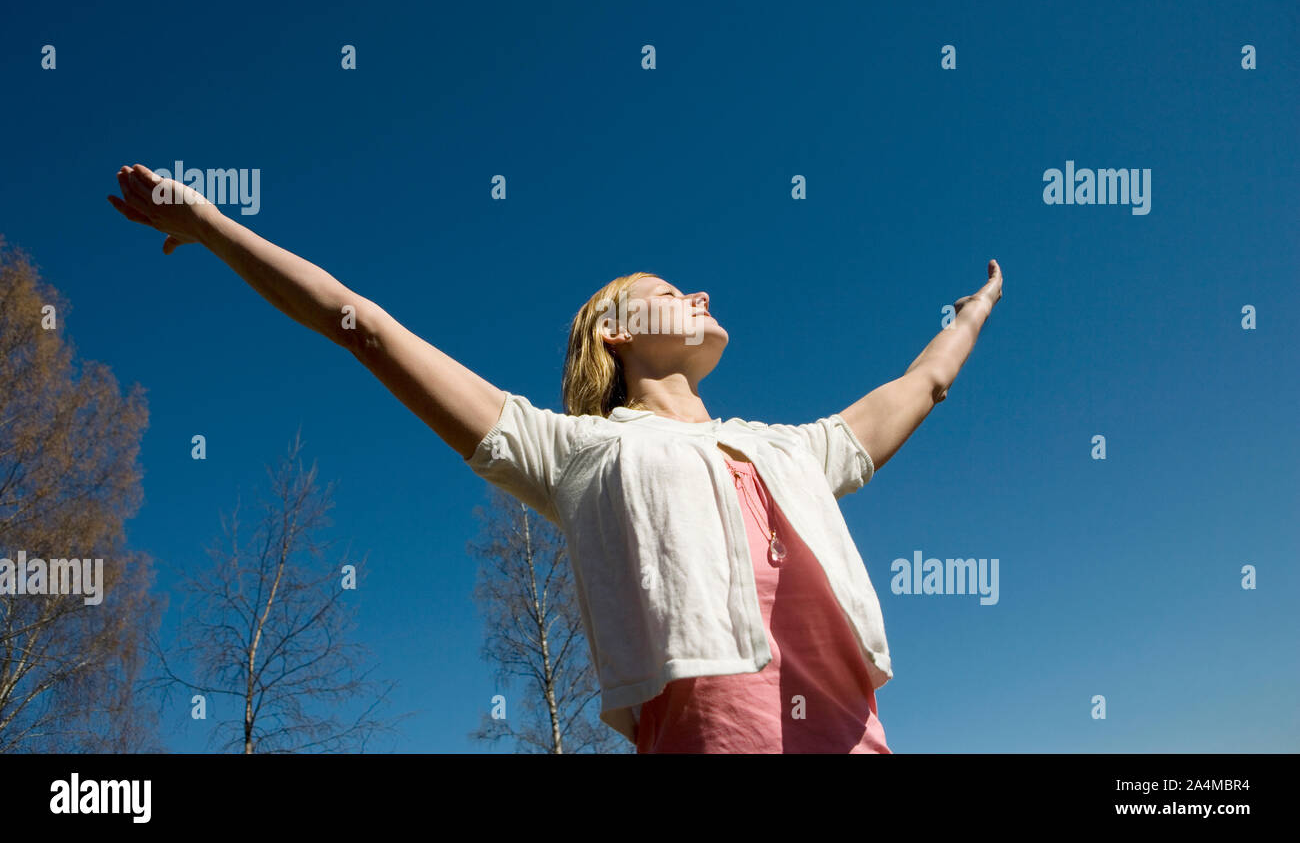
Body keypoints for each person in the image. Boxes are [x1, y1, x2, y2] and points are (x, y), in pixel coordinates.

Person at [108, 164, 1003, 752]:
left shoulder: (790, 449)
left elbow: (919, 387)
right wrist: (216, 228)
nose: (697, 293)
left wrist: (969, 316)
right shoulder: (577, 454)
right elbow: (366, 330)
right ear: (615, 333)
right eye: (667, 291)